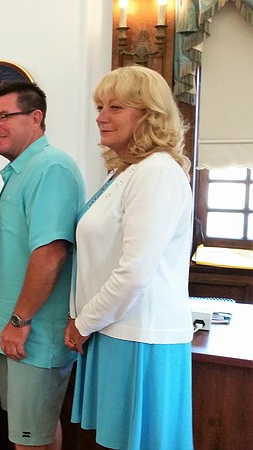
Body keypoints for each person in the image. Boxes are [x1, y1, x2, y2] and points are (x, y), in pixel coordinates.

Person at [65, 65, 194, 450]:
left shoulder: (156, 172)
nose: (102, 117)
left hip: (140, 334)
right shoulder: (126, 171)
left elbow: (134, 272)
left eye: (116, 107)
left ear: (149, 115)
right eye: (100, 106)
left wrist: (83, 322)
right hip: (114, 327)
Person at [0, 82, 85, 450]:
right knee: (35, 433)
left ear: (36, 117)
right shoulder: (20, 172)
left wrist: (19, 321)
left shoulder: (51, 167)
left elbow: (51, 253)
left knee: (29, 441)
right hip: (18, 333)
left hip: (33, 333)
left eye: (4, 117)